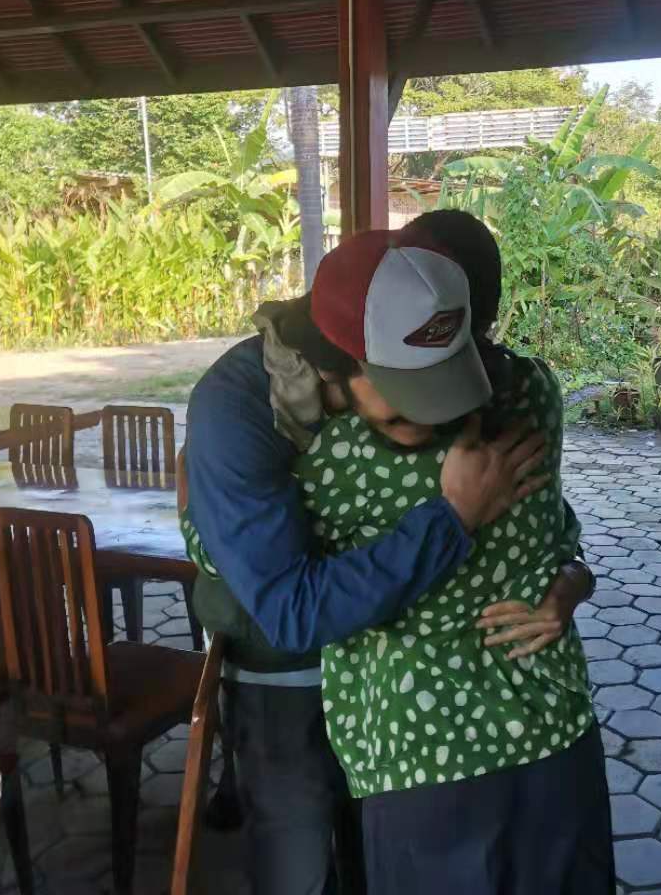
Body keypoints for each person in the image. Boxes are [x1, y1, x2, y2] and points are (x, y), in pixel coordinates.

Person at [180, 213, 594, 894]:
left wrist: (571, 576)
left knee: (370, 853)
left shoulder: (465, 398)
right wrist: (453, 518)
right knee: (296, 857)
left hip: (394, 704)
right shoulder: (237, 411)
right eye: (405, 407)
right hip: (284, 666)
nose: (436, 425)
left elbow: (550, 530)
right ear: (338, 368)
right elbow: (283, 605)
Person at [296, 228, 612, 894]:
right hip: (555, 730)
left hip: (424, 758)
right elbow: (560, 533)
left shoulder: (337, 460)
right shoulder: (536, 393)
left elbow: (245, 572)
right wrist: (572, 579)